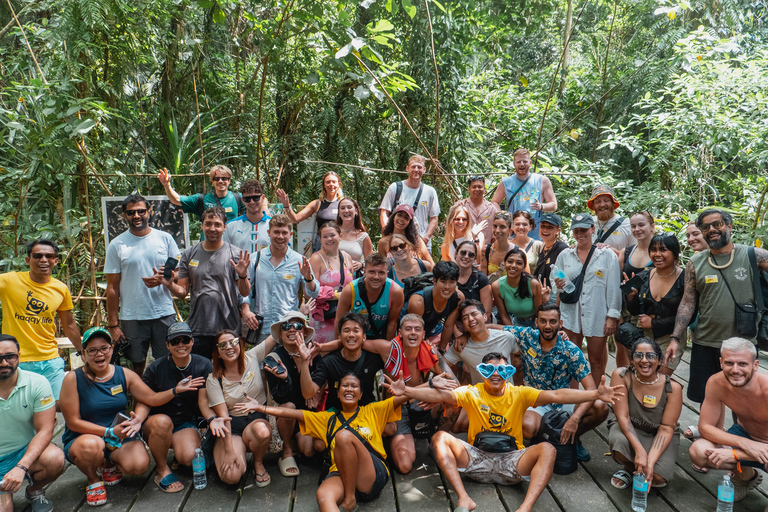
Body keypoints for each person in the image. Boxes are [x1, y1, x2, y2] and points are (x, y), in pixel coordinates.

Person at [383, 351, 624, 512]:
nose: (496, 374)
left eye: (501, 369)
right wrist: (408, 392)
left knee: (548, 449)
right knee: (439, 438)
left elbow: (557, 395)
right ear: (482, 371)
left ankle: (524, 508)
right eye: (489, 369)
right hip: (477, 458)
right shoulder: (472, 391)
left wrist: (595, 394)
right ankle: (463, 498)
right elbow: (441, 395)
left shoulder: (519, 392)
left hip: (513, 462)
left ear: (508, 372)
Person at [60, 327, 201, 506]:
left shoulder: (123, 374)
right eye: (92, 350)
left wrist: (175, 390)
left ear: (111, 349)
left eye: (104, 348)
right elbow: (73, 422)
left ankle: (108, 464)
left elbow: (151, 398)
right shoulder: (73, 378)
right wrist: (109, 431)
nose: (99, 354)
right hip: (86, 438)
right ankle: (93, 479)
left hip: (118, 437)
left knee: (139, 465)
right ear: (83, 354)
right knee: (92, 445)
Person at [260, 373, 406, 512]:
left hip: (371, 472)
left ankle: (349, 500)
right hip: (341, 472)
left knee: (343, 437)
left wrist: (405, 390)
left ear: (361, 394)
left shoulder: (372, 411)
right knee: (323, 495)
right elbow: (295, 413)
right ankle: (348, 498)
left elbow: (407, 397)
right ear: (337, 393)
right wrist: (261, 408)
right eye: (345, 385)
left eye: (354, 386)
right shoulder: (328, 419)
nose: (349, 389)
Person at [669, 208, 768, 404]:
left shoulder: (753, 255)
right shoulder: (696, 262)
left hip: (744, 343)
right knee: (707, 396)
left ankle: (743, 434)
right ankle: (711, 432)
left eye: (717, 224)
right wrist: (674, 338)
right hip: (706, 340)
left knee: (745, 398)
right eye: (706, 227)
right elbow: (688, 302)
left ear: (729, 226)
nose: (712, 229)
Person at [503, 304, 608, 463]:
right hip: (535, 401)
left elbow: (591, 389)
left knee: (601, 406)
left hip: (562, 400)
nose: (547, 326)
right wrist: (463, 335)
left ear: (560, 324)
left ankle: (572, 438)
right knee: (527, 428)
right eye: (543, 321)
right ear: (536, 322)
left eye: (553, 321)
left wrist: (575, 419)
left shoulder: (571, 350)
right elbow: (493, 328)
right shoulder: (526, 335)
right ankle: (546, 438)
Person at [158, 207, 253, 358]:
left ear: (224, 227)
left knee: (230, 374)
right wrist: (169, 284)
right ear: (201, 225)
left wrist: (242, 276)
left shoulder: (235, 254)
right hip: (199, 327)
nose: (212, 228)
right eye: (208, 224)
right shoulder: (189, 254)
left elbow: (245, 292)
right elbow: (183, 292)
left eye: (217, 224)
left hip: (229, 327)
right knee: (203, 375)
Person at [105, 194, 181, 375]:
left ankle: (164, 401)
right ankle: (138, 402)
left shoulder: (165, 238)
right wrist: (113, 325)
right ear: (124, 215)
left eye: (141, 211)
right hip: (133, 316)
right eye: (131, 213)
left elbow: (178, 273)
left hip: (163, 312)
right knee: (135, 365)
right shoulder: (117, 245)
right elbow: (112, 287)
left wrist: (165, 279)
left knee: (167, 362)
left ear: (149, 212)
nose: (136, 216)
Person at [132, 322, 213, 493]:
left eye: (185, 340)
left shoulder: (203, 364)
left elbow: (204, 401)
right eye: (175, 341)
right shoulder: (155, 368)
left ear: (192, 341)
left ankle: (178, 452)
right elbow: (146, 400)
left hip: (184, 422)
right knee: (163, 422)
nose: (181, 345)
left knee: (190, 458)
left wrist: (212, 420)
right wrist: (138, 420)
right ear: (167, 345)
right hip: (157, 423)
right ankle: (162, 470)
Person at [0, 238, 81, 406]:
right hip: (17, 361)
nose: (43, 260)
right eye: (37, 256)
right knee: (21, 409)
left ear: (56, 261)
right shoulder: (9, 281)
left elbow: (69, 324)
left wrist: (83, 350)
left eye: (49, 256)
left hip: (50, 360)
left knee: (58, 406)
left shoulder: (60, 288)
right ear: (28, 260)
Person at [689, 337, 768, 502]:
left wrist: (734, 454)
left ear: (755, 365)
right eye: (729, 363)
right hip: (745, 434)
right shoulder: (716, 383)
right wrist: (744, 444)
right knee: (699, 451)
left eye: (743, 364)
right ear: (721, 362)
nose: (735, 370)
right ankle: (746, 476)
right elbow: (705, 427)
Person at [198, 329, 279, 487]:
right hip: (232, 426)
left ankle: (258, 462)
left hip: (256, 420)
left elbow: (275, 334)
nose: (228, 347)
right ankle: (224, 450)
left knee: (262, 431)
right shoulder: (214, 379)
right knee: (231, 476)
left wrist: (300, 311)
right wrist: (229, 451)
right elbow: (224, 417)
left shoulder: (252, 356)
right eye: (222, 345)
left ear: (240, 344)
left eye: (233, 342)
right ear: (217, 353)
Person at [553, 214, 621, 387]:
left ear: (593, 229)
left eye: (584, 230)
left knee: (596, 359)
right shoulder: (564, 255)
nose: (580, 234)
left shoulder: (606, 255)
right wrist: (558, 285)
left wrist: (612, 315)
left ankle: (596, 398)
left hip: (597, 313)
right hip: (570, 313)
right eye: (576, 231)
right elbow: (557, 287)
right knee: (572, 359)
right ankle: (573, 400)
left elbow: (613, 287)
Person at [0, 334, 64, 512]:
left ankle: (35, 490)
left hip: (24, 452)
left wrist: (21, 467)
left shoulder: (36, 383)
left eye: (9, 356)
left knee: (56, 458)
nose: (4, 363)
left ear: (19, 356)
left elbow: (45, 430)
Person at [608, 338, 682, 491]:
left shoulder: (673, 388)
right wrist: (640, 452)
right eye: (638, 355)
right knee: (618, 443)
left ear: (660, 360)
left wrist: (650, 462)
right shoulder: (621, 376)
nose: (644, 360)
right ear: (631, 359)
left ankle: (642, 467)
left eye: (651, 356)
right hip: (632, 428)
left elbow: (666, 428)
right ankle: (629, 467)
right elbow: (622, 417)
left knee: (658, 478)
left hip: (659, 434)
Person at [247, 214, 319, 344]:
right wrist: (246, 310)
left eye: (284, 233)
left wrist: (309, 279)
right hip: (263, 327)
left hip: (289, 327)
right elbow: (245, 291)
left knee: (289, 363)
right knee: (264, 363)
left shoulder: (299, 261)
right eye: (276, 232)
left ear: (290, 234)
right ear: (269, 233)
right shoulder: (255, 259)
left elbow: (313, 293)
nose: (280, 237)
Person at [262, 313, 322, 464]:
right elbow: (280, 397)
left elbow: (324, 375)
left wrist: (318, 392)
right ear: (281, 334)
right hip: (286, 413)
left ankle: (296, 442)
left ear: (305, 332)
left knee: (309, 450)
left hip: (308, 413)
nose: (292, 330)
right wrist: (284, 380)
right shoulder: (273, 358)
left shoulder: (313, 353)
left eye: (297, 326)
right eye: (286, 327)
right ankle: (287, 449)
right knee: (289, 406)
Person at [624, 233, 687, 375]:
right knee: (643, 378)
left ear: (675, 252)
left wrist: (653, 323)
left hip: (671, 337)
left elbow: (688, 316)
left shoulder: (685, 278)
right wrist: (631, 297)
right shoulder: (643, 275)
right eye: (653, 250)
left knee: (660, 379)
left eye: (663, 250)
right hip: (644, 337)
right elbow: (633, 311)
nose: (657, 254)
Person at [301, 313, 386, 413]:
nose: (351, 335)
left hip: (366, 410)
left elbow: (390, 353)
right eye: (346, 331)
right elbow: (308, 393)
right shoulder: (329, 361)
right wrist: (304, 362)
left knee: (391, 427)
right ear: (340, 337)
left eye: (356, 331)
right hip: (337, 413)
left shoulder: (373, 358)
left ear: (364, 337)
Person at [445, 300, 521, 384]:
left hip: (507, 394)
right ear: (463, 324)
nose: (470, 319)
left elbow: (523, 353)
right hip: (481, 396)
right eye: (465, 318)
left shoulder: (506, 337)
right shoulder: (461, 346)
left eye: (474, 314)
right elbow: (439, 365)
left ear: (485, 317)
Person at [491, 148, 557, 241]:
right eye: (518, 162)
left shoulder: (542, 180)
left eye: (525, 161)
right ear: (514, 164)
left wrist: (541, 206)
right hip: (513, 235)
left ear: (530, 163)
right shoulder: (506, 182)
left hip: (536, 235)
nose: (522, 164)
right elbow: (494, 202)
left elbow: (554, 205)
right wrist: (502, 216)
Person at [335, 253, 404, 341]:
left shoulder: (395, 292)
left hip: (380, 336)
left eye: (381, 273)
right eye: (372, 272)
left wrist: (388, 350)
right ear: (364, 271)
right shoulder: (350, 290)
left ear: (387, 274)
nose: (376, 277)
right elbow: (339, 320)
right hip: (356, 337)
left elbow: (392, 323)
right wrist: (339, 346)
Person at [379, 155, 440, 250]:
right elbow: (384, 212)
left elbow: (434, 218)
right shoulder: (395, 188)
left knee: (423, 265)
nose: (416, 170)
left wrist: (426, 237)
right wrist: (387, 233)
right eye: (413, 167)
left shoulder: (430, 191)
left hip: (420, 242)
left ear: (424, 170)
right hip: (397, 243)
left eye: (419, 167)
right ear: (407, 169)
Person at [308, 222, 355, 344]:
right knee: (325, 351)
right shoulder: (317, 259)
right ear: (320, 239)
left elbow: (352, 285)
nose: (329, 239)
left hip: (344, 313)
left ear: (340, 236)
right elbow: (310, 292)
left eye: (332, 235)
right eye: (325, 236)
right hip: (324, 316)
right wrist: (337, 295)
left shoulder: (346, 257)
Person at [276, 171, 344, 253]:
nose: (331, 184)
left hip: (340, 243)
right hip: (321, 245)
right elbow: (295, 219)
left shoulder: (344, 204)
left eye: (334, 182)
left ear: (338, 184)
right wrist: (286, 206)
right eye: (328, 182)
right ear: (324, 185)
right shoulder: (317, 203)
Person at [406, 261, 465, 350]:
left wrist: (441, 350)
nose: (447, 287)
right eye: (443, 281)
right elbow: (412, 331)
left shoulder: (458, 298)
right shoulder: (418, 302)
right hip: (411, 331)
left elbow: (448, 325)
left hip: (433, 330)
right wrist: (424, 345)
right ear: (434, 281)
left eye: (452, 282)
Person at [158, 165, 244, 223]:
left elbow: (255, 208)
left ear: (229, 181)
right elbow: (176, 200)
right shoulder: (202, 199)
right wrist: (167, 184)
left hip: (230, 245)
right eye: (216, 179)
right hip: (209, 245)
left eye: (224, 178)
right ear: (212, 181)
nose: (220, 181)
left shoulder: (238, 198)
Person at [492, 247, 545, 328]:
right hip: (516, 322)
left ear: (524, 267)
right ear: (504, 263)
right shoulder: (497, 286)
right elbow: (504, 316)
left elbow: (539, 313)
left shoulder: (533, 284)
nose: (513, 266)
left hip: (535, 322)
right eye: (510, 261)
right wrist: (514, 332)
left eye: (519, 263)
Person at [222, 179, 272, 255]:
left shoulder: (273, 225)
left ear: (263, 198)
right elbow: (224, 254)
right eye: (247, 199)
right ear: (243, 200)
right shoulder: (231, 226)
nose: (252, 202)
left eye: (255, 198)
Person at [586, 184, 635, 254]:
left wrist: (612, 251)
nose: (602, 205)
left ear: (613, 203)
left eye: (606, 201)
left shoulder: (627, 224)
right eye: (598, 202)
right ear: (593, 206)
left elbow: (634, 255)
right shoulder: (588, 224)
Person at [532, 213, 568, 305]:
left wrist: (556, 304)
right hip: (541, 295)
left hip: (553, 296)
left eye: (550, 227)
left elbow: (564, 277)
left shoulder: (562, 249)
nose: (545, 230)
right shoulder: (542, 247)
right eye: (543, 226)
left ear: (558, 230)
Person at [453, 175, 498, 246]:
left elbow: (495, 233)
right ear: (469, 189)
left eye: (480, 187)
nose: (477, 189)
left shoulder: (491, 209)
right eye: (474, 187)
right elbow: (451, 227)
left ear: (484, 189)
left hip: (485, 250)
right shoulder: (460, 206)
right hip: (464, 250)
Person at [455, 241, 492, 321]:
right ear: (456, 254)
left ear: (475, 258)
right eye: (463, 253)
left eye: (471, 255)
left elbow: (486, 312)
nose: (466, 256)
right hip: (453, 324)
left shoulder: (480, 279)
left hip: (478, 323)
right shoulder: (448, 277)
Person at [336, 197, 373, 273]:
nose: (346, 210)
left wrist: (361, 265)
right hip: (332, 276)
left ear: (356, 211)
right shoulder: (332, 232)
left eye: (349, 207)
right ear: (339, 213)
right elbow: (323, 254)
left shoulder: (363, 236)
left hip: (354, 278)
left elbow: (370, 262)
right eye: (342, 208)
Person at [618, 211, 655, 278]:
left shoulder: (662, 252)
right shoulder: (625, 252)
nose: (637, 229)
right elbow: (617, 281)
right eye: (633, 226)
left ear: (652, 226)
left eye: (641, 225)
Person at [481, 211, 516, 282]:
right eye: (495, 226)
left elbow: (525, 280)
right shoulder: (486, 250)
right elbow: (484, 281)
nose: (497, 230)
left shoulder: (517, 252)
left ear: (510, 231)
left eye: (502, 227)